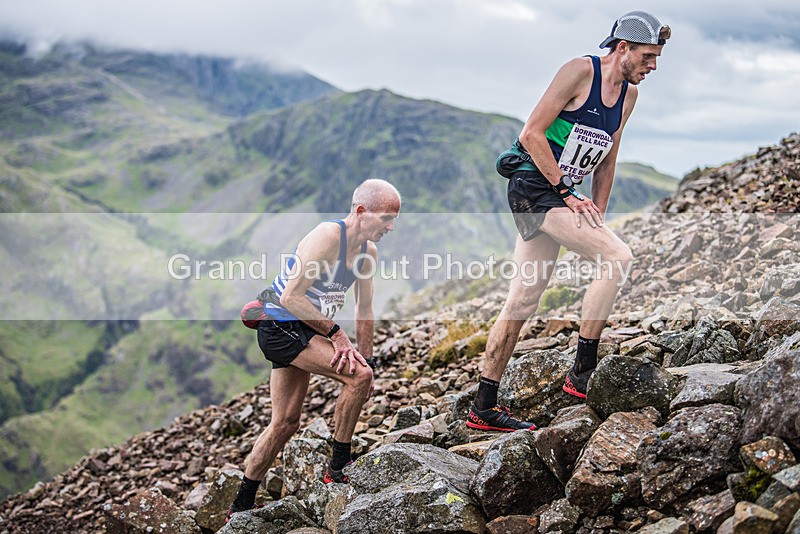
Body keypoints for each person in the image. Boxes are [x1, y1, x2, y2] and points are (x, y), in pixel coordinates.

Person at [467, 11, 671, 432]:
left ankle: (482, 407)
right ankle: (581, 374)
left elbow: (607, 159)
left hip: (562, 195)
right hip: (533, 187)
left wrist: (596, 209)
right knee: (617, 257)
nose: (653, 66)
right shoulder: (580, 71)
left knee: (522, 300)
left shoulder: (629, 96)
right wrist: (567, 193)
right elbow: (531, 134)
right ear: (623, 49)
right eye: (648, 57)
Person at [227, 179, 401, 520]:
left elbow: (364, 311)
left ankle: (241, 504)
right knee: (357, 378)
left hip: (305, 330)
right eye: (386, 218)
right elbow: (291, 298)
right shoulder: (328, 237)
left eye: (395, 219)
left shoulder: (368, 252)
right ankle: (338, 467)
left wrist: (369, 360)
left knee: (285, 422)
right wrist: (337, 336)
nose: (391, 227)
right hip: (280, 324)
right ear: (362, 211)